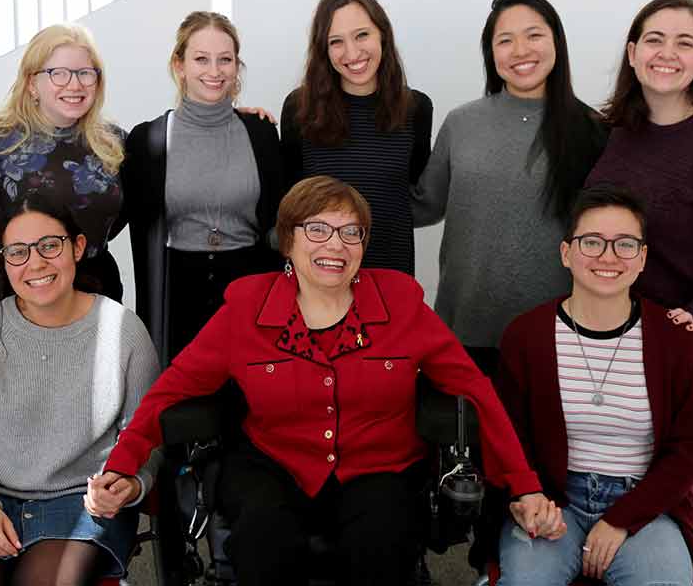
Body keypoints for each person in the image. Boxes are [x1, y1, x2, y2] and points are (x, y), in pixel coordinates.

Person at [88, 176, 558, 586]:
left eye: (351, 233)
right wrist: (122, 465)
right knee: (263, 544)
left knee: (380, 546)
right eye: (317, 229)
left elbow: (474, 391)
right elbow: (173, 389)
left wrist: (524, 485)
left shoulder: (402, 303)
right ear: (287, 241)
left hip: (380, 466)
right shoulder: (246, 308)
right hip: (272, 462)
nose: (335, 245)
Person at [586, 0, 693, 580]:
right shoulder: (618, 134)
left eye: (685, 42)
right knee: (636, 475)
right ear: (633, 54)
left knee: (688, 483)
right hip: (616, 340)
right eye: (654, 40)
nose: (668, 53)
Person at [0, 196, 162, 585]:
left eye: (49, 246)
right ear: (4, 261)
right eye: (17, 252)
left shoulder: (123, 331)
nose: (35, 264)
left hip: (82, 502)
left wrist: (133, 482)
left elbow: (147, 438)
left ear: (77, 246)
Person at [495, 184, 693, 586]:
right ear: (566, 253)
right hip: (555, 503)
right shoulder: (525, 336)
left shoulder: (678, 341)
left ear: (643, 258)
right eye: (592, 242)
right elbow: (509, 437)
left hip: (646, 506)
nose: (608, 256)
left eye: (625, 245)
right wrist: (524, 497)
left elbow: (689, 452)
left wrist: (621, 519)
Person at [412, 0, 607, 375]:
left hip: (559, 335)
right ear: (491, 53)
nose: (520, 50)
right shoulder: (461, 123)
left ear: (557, 42)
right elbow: (424, 205)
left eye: (534, 35)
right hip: (464, 330)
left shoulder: (593, 130)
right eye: (505, 40)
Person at [122, 10, 282, 363]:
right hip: (177, 298)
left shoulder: (261, 133)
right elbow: (113, 214)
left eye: (225, 60)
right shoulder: (147, 141)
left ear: (236, 67)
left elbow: (281, 220)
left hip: (250, 293)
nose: (214, 71)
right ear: (179, 65)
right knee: (183, 410)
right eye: (201, 59)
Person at [281, 0, 432, 275]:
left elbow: (412, 192)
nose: (352, 52)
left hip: (391, 277)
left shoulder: (416, 108)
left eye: (362, 35)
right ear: (323, 50)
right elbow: (287, 202)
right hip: (319, 280)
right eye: (336, 41)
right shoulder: (299, 108)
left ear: (382, 35)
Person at [0, 23, 126, 309]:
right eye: (58, 73)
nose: (75, 84)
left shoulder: (116, 143)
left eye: (85, 73)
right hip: (14, 291)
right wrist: (2, 228)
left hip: (94, 287)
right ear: (32, 83)